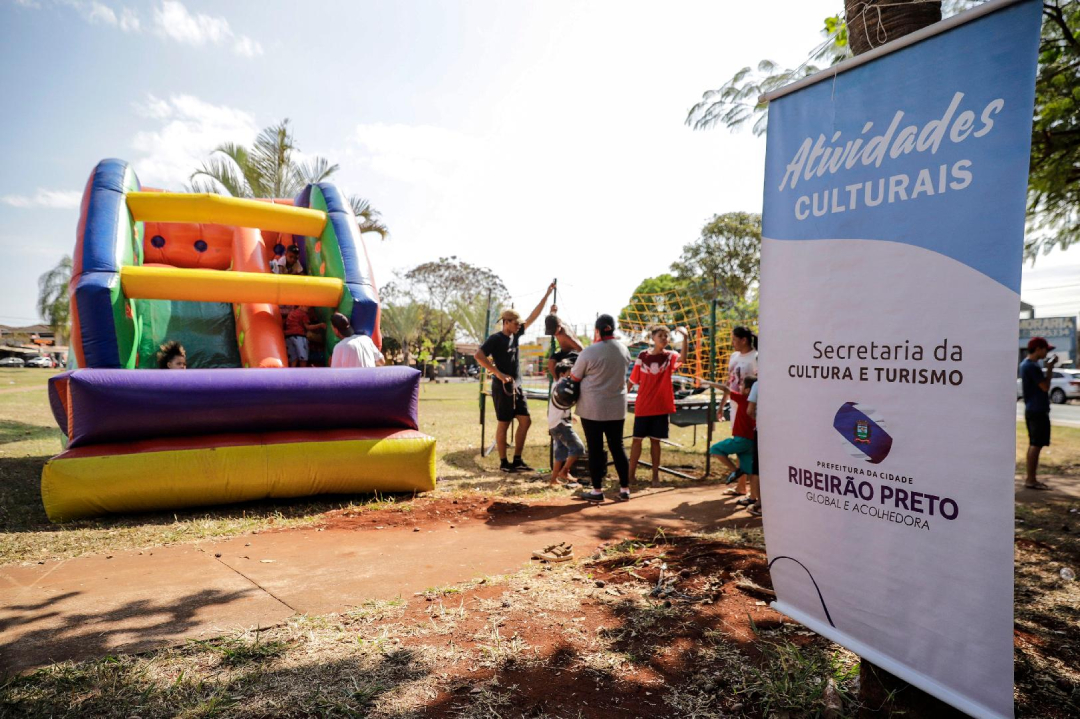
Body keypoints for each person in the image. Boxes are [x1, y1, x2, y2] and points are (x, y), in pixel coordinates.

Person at [474, 283, 556, 473]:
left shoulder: (515, 336)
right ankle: (504, 463)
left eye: (519, 324)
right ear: (506, 322)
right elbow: (479, 356)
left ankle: (517, 460)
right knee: (504, 423)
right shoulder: (495, 339)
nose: (519, 326)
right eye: (515, 323)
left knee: (525, 421)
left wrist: (547, 294)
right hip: (502, 387)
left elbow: (533, 316)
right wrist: (499, 374)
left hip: (517, 387)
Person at [571, 314, 632, 502]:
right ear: (612, 328)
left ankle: (597, 491)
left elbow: (574, 377)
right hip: (616, 406)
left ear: (597, 330)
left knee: (595, 448)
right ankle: (624, 489)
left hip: (592, 407)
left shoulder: (589, 351)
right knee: (617, 446)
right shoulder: (624, 350)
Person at [627, 325, 687, 487]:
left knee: (655, 442)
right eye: (660, 335)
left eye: (666, 336)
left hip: (660, 407)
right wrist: (621, 396)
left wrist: (686, 338)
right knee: (637, 441)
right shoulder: (642, 356)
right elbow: (632, 380)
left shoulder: (670, 356)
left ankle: (655, 477)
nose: (664, 338)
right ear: (652, 337)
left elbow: (683, 359)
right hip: (643, 406)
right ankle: (630, 476)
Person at [710, 376, 757, 503]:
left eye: (742, 385)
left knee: (715, 449)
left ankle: (736, 471)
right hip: (751, 440)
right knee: (752, 471)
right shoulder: (757, 402)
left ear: (748, 390)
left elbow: (726, 389)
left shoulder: (743, 399)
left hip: (741, 439)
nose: (739, 387)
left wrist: (708, 382)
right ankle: (753, 497)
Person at [1020, 337, 1056, 490]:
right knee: (1036, 444)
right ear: (1038, 349)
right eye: (1045, 349)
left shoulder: (1027, 365)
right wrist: (1050, 367)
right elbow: (1045, 387)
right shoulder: (1031, 366)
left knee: (1035, 443)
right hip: (1037, 410)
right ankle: (1031, 479)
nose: (1046, 352)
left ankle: (1031, 478)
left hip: (1033, 409)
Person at [547, 360, 585, 488]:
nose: (572, 376)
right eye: (570, 374)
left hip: (554, 423)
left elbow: (559, 405)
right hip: (560, 424)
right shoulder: (562, 386)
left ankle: (553, 479)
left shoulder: (556, 386)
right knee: (578, 448)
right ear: (563, 374)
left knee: (561, 452)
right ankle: (565, 471)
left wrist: (570, 415)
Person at [720, 326, 758, 422]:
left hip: (748, 407)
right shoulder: (734, 356)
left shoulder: (755, 357)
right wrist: (721, 406)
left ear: (744, 340)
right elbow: (729, 381)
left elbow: (758, 384)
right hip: (734, 406)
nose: (732, 343)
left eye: (734, 339)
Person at [545, 305, 584, 380]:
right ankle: (557, 381)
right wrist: (553, 311)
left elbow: (581, 348)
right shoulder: (555, 322)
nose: (553, 334)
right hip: (563, 351)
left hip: (573, 352)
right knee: (551, 363)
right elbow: (553, 317)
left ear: (559, 326)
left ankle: (567, 381)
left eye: (553, 332)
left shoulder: (566, 335)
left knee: (563, 364)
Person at [745, 379, 761, 517]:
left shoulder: (758, 384)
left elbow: (750, 410)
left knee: (758, 467)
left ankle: (759, 504)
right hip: (782, 430)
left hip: (762, 430)